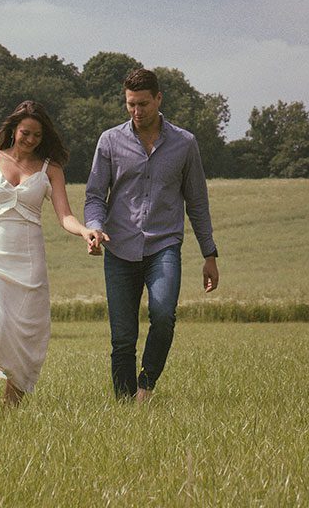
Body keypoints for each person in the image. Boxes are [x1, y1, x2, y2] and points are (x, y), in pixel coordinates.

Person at [84, 67, 220, 402]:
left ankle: (146, 386)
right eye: (130, 104)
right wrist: (95, 226)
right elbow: (94, 195)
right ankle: (125, 405)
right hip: (119, 247)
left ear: (158, 99)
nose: (136, 111)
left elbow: (197, 202)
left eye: (143, 103)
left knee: (163, 314)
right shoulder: (110, 141)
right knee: (123, 336)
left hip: (164, 246)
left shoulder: (185, 144)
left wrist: (209, 254)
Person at [0, 101, 106, 413]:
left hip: (29, 261)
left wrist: (84, 231)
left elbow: (64, 215)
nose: (30, 139)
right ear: (14, 130)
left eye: (37, 136)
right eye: (25, 133)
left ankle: (12, 407)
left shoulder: (50, 170)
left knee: (26, 332)